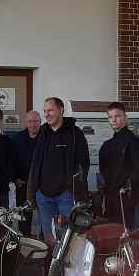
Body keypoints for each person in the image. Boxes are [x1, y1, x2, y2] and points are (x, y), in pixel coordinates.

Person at [28, 97, 89, 238]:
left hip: (66, 196)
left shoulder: (75, 133)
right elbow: (36, 163)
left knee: (69, 238)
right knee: (49, 237)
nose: (46, 114)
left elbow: (84, 163)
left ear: (61, 110)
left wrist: (75, 189)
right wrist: (32, 192)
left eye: (50, 110)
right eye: (45, 111)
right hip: (44, 196)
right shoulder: (43, 132)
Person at [98, 102, 139, 230]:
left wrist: (127, 185)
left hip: (131, 197)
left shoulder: (135, 142)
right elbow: (103, 171)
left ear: (125, 117)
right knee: (115, 235)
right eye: (110, 117)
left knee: (135, 236)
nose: (113, 120)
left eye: (117, 116)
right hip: (113, 199)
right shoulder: (106, 146)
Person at [11, 110, 42, 233]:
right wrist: (15, 178)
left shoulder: (46, 137)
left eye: (36, 121)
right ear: (26, 122)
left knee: (44, 216)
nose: (33, 124)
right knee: (23, 216)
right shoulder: (17, 138)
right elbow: (12, 160)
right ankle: (25, 239)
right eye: (30, 121)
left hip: (42, 184)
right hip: (22, 184)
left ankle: (43, 240)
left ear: (40, 122)